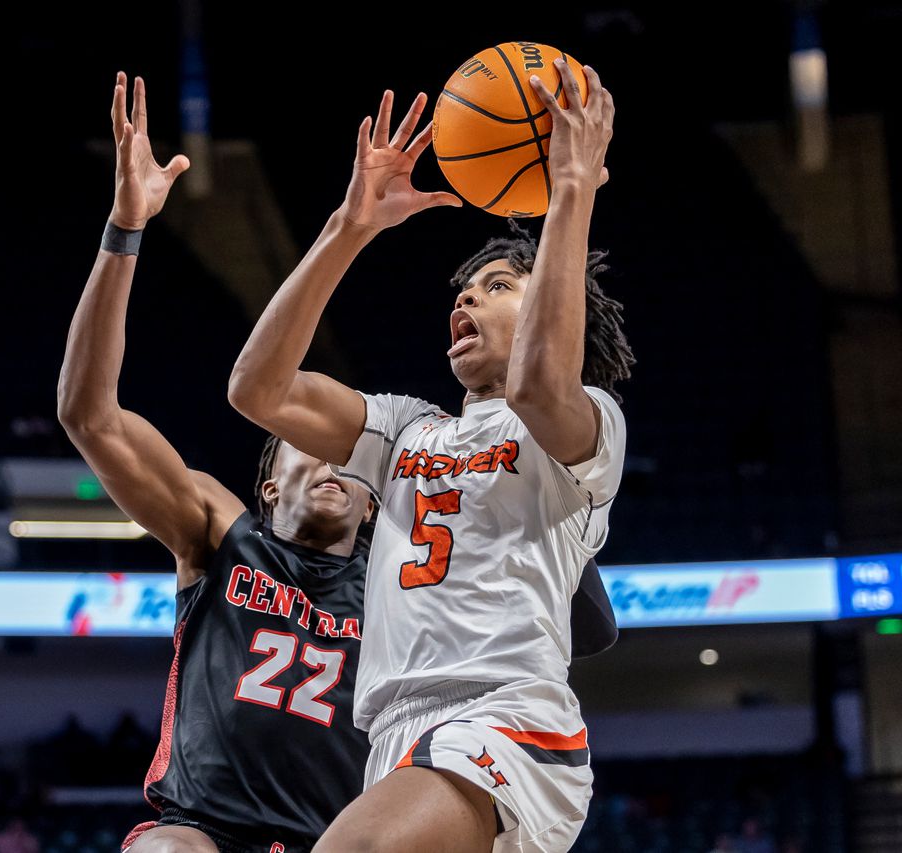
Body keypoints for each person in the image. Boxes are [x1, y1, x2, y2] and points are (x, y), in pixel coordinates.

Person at [229, 59, 629, 853]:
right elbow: (258, 388)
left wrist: (569, 190)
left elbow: (543, 383)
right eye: (463, 289)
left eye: (498, 285)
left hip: (505, 721)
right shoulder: (406, 430)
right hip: (395, 738)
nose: (466, 297)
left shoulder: (586, 426)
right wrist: (351, 227)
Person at [57, 71, 376, 853]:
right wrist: (124, 231)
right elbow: (88, 414)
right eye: (315, 446)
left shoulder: (402, 583)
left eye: (353, 455)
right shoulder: (220, 531)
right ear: (268, 485)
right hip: (201, 829)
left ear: (378, 501)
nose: (339, 461)